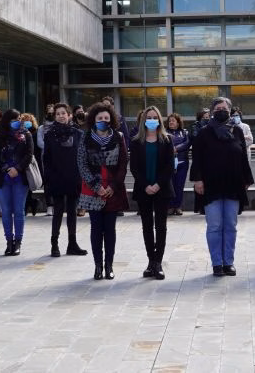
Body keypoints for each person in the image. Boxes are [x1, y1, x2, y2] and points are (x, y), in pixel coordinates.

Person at [189, 97, 253, 278]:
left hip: (234, 184)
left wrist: (247, 179)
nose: (221, 111)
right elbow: (197, 158)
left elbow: (243, 157)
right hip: (211, 186)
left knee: (231, 225)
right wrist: (197, 180)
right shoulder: (204, 132)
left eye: (224, 108)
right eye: (217, 108)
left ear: (230, 111)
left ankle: (228, 262)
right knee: (215, 225)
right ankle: (217, 263)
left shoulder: (238, 131)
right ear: (212, 111)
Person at [79, 102, 129, 279]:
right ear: (93, 119)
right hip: (93, 189)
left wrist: (113, 186)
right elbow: (82, 164)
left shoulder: (119, 136)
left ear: (111, 119)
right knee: (96, 229)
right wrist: (96, 186)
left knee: (110, 230)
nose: (103, 120)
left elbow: (123, 163)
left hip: (112, 190)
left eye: (106, 118)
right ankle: (98, 266)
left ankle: (109, 266)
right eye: (100, 118)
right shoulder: (85, 137)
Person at [130, 106, 175, 279]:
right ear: (143, 120)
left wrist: (157, 185)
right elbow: (134, 167)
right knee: (147, 226)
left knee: (161, 226)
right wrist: (146, 185)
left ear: (159, 120)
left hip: (162, 189)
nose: (152, 120)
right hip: (143, 190)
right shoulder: (136, 141)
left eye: (155, 117)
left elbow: (169, 166)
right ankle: (151, 261)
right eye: (149, 117)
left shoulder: (167, 140)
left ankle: (158, 262)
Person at [41, 103, 86, 257]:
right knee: (58, 211)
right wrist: (48, 178)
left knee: (72, 211)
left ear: (69, 115)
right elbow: (46, 159)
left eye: (63, 113)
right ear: (55, 116)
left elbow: (82, 157)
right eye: (58, 114)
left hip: (74, 177)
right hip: (56, 177)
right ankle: (54, 244)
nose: (61, 116)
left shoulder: (78, 133)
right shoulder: (49, 134)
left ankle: (72, 244)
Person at [0, 109, 33, 256]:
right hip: (3, 178)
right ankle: (9, 242)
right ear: (7, 121)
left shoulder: (26, 135)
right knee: (6, 211)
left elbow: (29, 155)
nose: (17, 122)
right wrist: (6, 168)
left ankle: (18, 242)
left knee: (18, 211)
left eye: (19, 118)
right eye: (14, 119)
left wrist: (18, 168)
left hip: (20, 177)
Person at [166, 113, 190, 217]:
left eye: (173, 121)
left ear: (178, 122)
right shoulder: (164, 132)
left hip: (182, 163)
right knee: (170, 186)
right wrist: (171, 149)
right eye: (169, 121)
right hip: (169, 164)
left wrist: (176, 148)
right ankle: (170, 207)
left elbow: (187, 143)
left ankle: (178, 206)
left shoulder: (184, 132)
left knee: (179, 185)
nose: (171, 122)